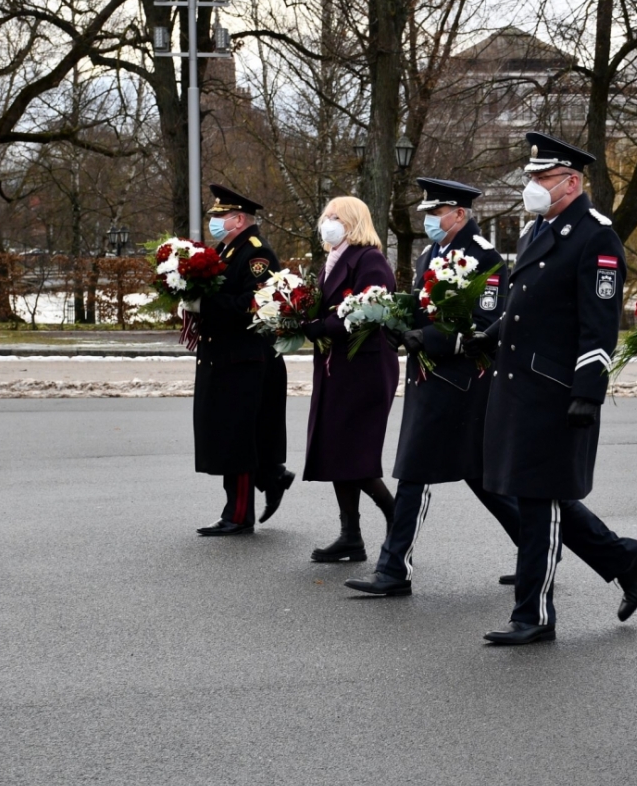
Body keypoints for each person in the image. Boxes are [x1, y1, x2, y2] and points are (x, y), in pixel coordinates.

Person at [468, 133, 637, 646]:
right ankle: (623, 556)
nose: (531, 186)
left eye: (541, 178)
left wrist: (587, 392)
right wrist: (487, 336)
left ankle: (534, 616)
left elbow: (600, 326)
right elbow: (522, 305)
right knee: (536, 494)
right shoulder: (536, 231)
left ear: (571, 182)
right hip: (517, 384)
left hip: (555, 390)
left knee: (539, 502)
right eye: (531, 177)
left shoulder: (596, 236)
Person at [344, 178, 520, 596]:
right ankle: (536, 545)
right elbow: (422, 308)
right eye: (427, 212)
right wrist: (398, 328)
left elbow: (483, 326)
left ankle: (393, 570)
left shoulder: (485, 259)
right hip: (429, 380)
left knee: (415, 473)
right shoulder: (431, 253)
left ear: (459, 214)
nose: (429, 220)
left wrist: (431, 339)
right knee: (478, 477)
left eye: (435, 212)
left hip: (462, 383)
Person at [191, 185, 294, 536]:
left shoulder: (255, 254)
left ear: (238, 219)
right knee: (226, 434)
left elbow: (256, 305)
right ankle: (271, 476)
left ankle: (238, 515)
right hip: (223, 358)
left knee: (238, 438)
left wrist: (204, 305)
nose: (215, 221)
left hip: (244, 360)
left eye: (220, 216)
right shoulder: (225, 250)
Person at [302, 196, 399, 562]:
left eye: (335, 216)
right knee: (338, 452)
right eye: (325, 215)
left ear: (354, 220)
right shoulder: (335, 259)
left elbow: (366, 313)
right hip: (338, 368)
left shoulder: (369, 259)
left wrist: (317, 327)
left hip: (364, 371)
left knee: (355, 455)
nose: (328, 221)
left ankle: (398, 522)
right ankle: (351, 536)